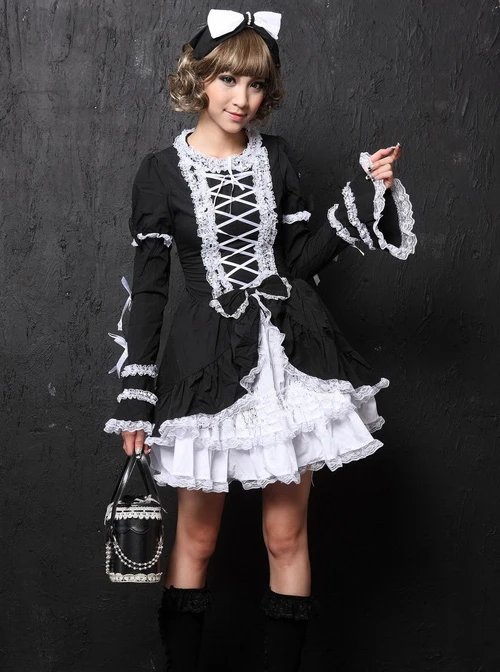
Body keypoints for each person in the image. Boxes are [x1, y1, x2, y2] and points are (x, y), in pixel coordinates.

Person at [103, 9, 416, 672]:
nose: (241, 98)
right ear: (199, 79)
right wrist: (136, 400)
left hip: (287, 358)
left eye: (255, 83)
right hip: (207, 364)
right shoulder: (159, 173)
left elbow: (298, 261)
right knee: (196, 540)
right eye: (227, 79)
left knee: (285, 535)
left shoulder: (277, 159)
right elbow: (151, 291)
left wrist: (366, 192)